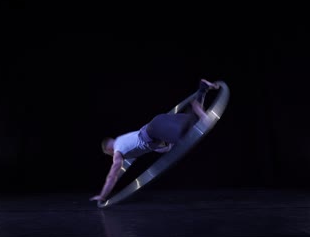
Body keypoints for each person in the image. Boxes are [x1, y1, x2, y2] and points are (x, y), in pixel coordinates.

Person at [89, 79, 220, 202]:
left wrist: (102, 196)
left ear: (109, 150)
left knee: (184, 136)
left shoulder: (118, 153)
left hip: (155, 128)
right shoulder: (123, 140)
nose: (112, 156)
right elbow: (151, 144)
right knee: (194, 121)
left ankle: (199, 111)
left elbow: (112, 176)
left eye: (109, 154)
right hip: (158, 124)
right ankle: (202, 88)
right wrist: (165, 147)